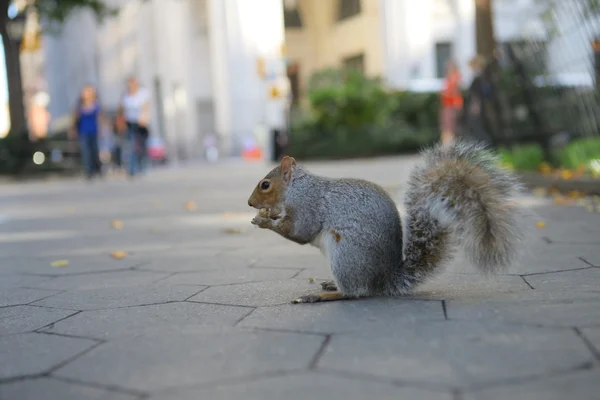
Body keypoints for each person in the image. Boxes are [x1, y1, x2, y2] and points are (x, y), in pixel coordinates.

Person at [247, 142, 525, 303]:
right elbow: (300, 226)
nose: (256, 199)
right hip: (371, 250)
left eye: (265, 188)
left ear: (287, 174)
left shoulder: (305, 193)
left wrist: (272, 225)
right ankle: (359, 282)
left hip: (363, 244)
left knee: (339, 237)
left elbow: (304, 233)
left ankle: (351, 290)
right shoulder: (305, 194)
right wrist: (275, 220)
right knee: (336, 238)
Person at [69, 85, 105, 179]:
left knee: (95, 151)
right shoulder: (80, 107)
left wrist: (101, 129)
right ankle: (89, 171)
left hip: (94, 131)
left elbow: (99, 118)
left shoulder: (96, 105)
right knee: (86, 152)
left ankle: (98, 169)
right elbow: (74, 119)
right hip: (83, 132)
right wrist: (73, 130)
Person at [118, 77, 151, 177]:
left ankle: (143, 167)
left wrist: (144, 118)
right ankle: (132, 169)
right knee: (132, 146)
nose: (131, 86)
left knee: (142, 146)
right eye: (129, 84)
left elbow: (146, 106)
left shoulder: (142, 93)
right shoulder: (125, 95)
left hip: (141, 123)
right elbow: (121, 109)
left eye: (133, 84)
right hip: (130, 123)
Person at [439, 60, 463, 148]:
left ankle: (449, 146)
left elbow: (455, 92)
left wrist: (446, 93)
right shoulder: (449, 78)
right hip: (447, 105)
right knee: (446, 127)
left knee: (450, 128)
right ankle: (447, 145)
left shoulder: (455, 77)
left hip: (452, 106)